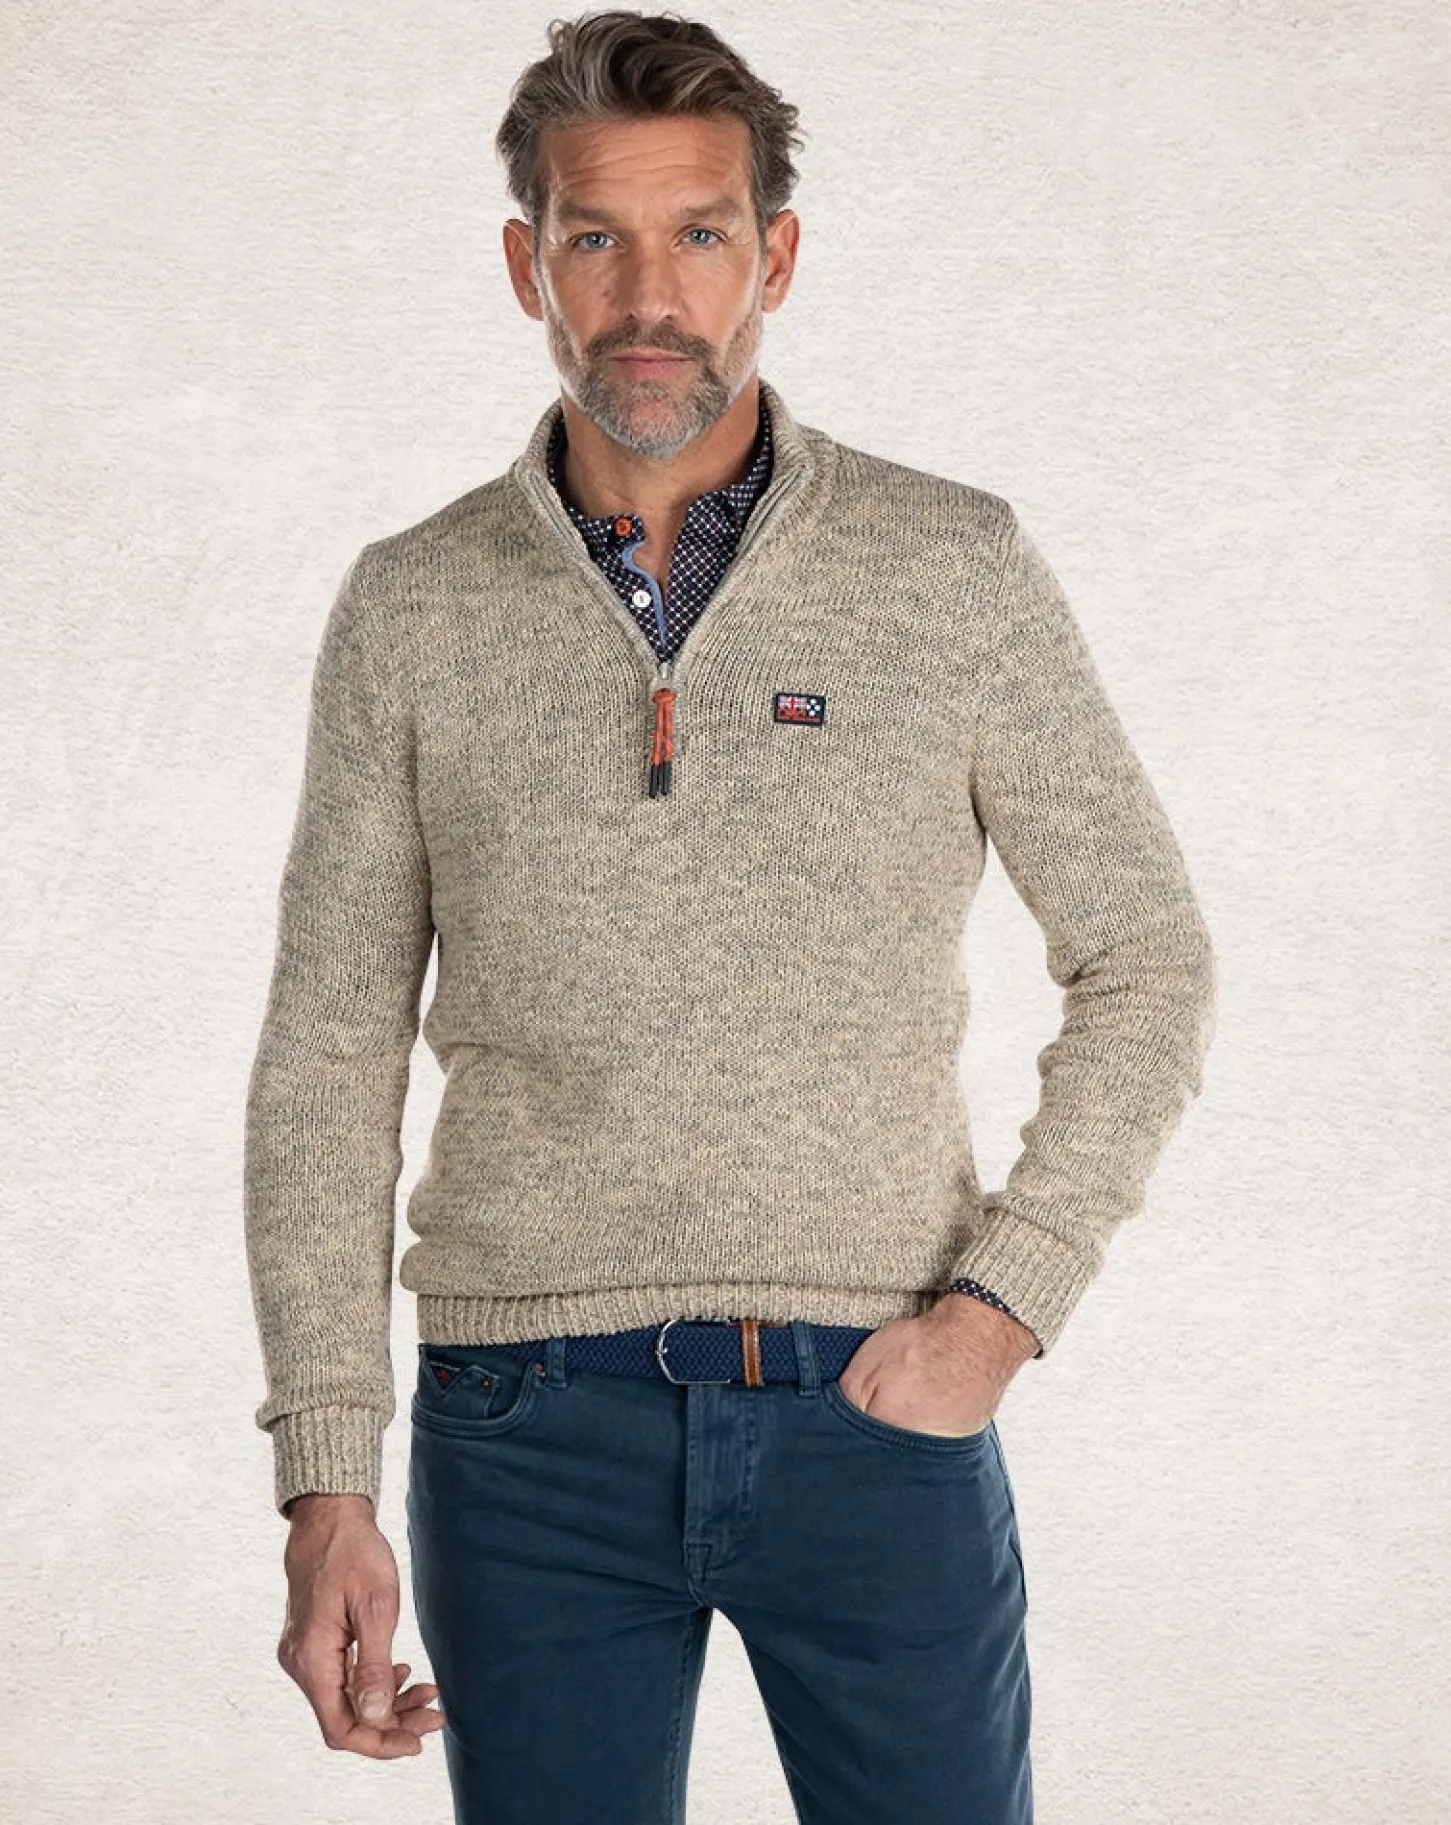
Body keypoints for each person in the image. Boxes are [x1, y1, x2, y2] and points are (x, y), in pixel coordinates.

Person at [244, 11, 1217, 1822]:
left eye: (698, 232)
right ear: (528, 265)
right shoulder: (413, 607)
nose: (649, 296)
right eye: (595, 237)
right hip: (520, 1429)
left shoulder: (951, 567)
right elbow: (326, 1055)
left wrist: (1003, 1310)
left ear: (775, 254)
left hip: (880, 1398)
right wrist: (326, 1476)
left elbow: (1148, 958)